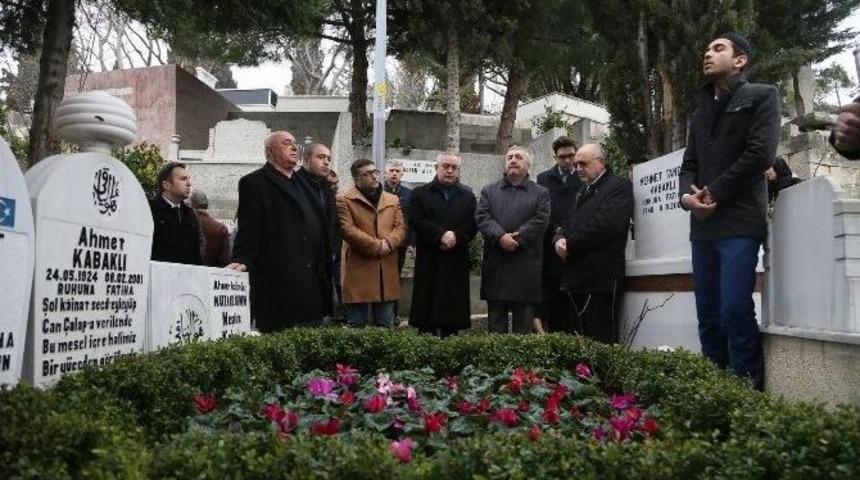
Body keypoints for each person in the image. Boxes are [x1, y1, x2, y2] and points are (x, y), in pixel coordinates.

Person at [678, 33, 780, 391]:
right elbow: (689, 163)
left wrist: (714, 192)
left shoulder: (762, 96)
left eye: (717, 48)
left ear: (740, 60)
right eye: (706, 49)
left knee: (734, 309)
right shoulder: (701, 105)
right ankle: (715, 390)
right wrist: (686, 198)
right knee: (707, 315)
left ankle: (746, 394)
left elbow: (759, 155)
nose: (707, 53)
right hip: (702, 224)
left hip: (738, 222)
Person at [227, 131, 333, 332]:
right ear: (269, 151)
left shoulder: (306, 184)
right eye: (286, 144)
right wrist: (242, 259)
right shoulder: (254, 183)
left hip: (310, 282)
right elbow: (249, 228)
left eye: (295, 143)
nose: (294, 147)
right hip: (277, 282)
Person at [554, 144, 633, 343]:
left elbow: (605, 226)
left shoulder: (618, 186)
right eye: (576, 163)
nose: (578, 168)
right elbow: (566, 223)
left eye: (583, 163)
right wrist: (558, 240)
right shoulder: (582, 191)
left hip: (600, 279)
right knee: (580, 341)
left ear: (601, 162)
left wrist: (569, 245)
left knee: (600, 339)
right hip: (576, 278)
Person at [475, 146, 550, 334]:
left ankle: (521, 365)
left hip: (525, 266)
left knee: (523, 328)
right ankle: (496, 364)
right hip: (497, 265)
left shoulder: (541, 193)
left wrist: (517, 237)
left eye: (519, 157)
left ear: (528, 165)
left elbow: (541, 219)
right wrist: (500, 237)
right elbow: (482, 217)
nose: (513, 160)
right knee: (496, 326)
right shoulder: (489, 191)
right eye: (510, 157)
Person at [409, 152, 478, 337]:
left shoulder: (468, 196)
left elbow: (473, 223)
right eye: (445, 166)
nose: (449, 171)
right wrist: (440, 235)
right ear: (436, 168)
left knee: (452, 312)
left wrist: (456, 236)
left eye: (454, 168)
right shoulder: (420, 193)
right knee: (427, 310)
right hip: (430, 256)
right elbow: (416, 219)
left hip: (455, 257)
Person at [337, 158, 406, 327]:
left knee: (385, 324)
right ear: (356, 179)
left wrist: (388, 243)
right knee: (357, 325)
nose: (374, 177)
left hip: (386, 267)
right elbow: (347, 230)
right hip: (358, 267)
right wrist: (376, 246)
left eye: (374, 172)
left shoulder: (392, 200)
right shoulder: (344, 199)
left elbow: (400, 227)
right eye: (366, 174)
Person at [536, 136, 582, 333]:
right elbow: (542, 210)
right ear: (555, 157)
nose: (567, 161)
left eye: (571, 156)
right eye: (562, 157)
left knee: (573, 297)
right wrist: (556, 231)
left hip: (575, 239)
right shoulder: (543, 178)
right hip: (550, 242)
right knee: (552, 294)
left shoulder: (582, 176)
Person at [149, 162, 203, 265]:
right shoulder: (150, 210)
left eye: (188, 179)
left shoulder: (190, 214)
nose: (189, 183)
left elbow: (196, 253)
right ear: (166, 185)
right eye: (183, 179)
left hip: (185, 277)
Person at [384, 160, 415, 273]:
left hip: (401, 241)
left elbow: (411, 219)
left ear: (402, 174)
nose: (394, 173)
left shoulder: (409, 194)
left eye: (397, 171)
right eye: (391, 170)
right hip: (382, 240)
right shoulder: (377, 191)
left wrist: (411, 242)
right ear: (385, 173)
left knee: (396, 272)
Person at [189, 190, 231, 267]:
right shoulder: (221, 228)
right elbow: (224, 260)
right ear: (207, 205)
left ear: (191, 205)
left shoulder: (186, 224)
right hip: (210, 275)